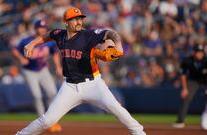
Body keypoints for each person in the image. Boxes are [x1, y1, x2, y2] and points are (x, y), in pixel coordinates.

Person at [16, 7, 146, 135]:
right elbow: (48, 35)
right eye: (74, 19)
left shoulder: (88, 35)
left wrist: (118, 44)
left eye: (80, 19)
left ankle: (139, 133)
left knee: (116, 109)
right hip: (70, 87)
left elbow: (110, 33)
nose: (79, 22)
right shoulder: (59, 35)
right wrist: (32, 43)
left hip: (93, 84)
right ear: (66, 22)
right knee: (48, 121)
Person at [12, 20, 62, 133]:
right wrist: (21, 58)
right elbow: (15, 50)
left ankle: (51, 120)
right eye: (40, 27)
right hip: (29, 71)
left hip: (43, 69)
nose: (42, 29)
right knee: (36, 95)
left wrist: (58, 67)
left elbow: (54, 54)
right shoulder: (27, 40)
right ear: (35, 28)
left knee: (52, 93)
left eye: (44, 27)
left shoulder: (49, 41)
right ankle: (42, 121)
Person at [172, 44, 207, 130]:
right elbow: (183, 75)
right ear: (194, 52)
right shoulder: (188, 60)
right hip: (193, 80)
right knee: (186, 96)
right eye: (197, 52)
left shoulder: (206, 60)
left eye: (201, 52)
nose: (199, 54)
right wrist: (184, 89)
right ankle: (180, 120)